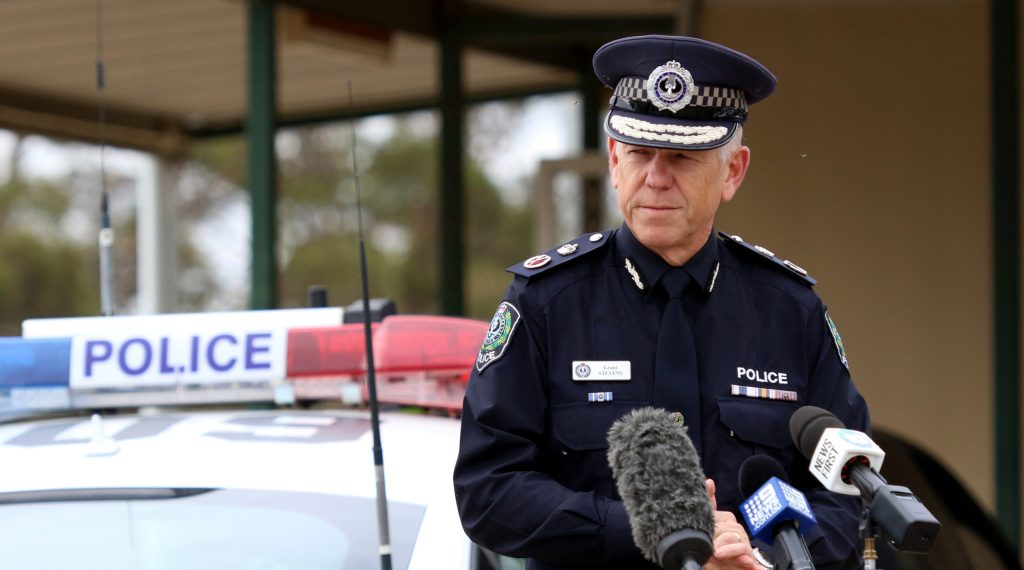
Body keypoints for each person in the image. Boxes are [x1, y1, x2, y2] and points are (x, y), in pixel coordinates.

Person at [454, 34, 870, 570]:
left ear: (733, 172)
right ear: (613, 160)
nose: (655, 178)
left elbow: (848, 496)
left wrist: (759, 557)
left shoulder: (790, 311)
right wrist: (654, 530)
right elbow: (489, 491)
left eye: (681, 156)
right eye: (640, 153)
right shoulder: (547, 304)